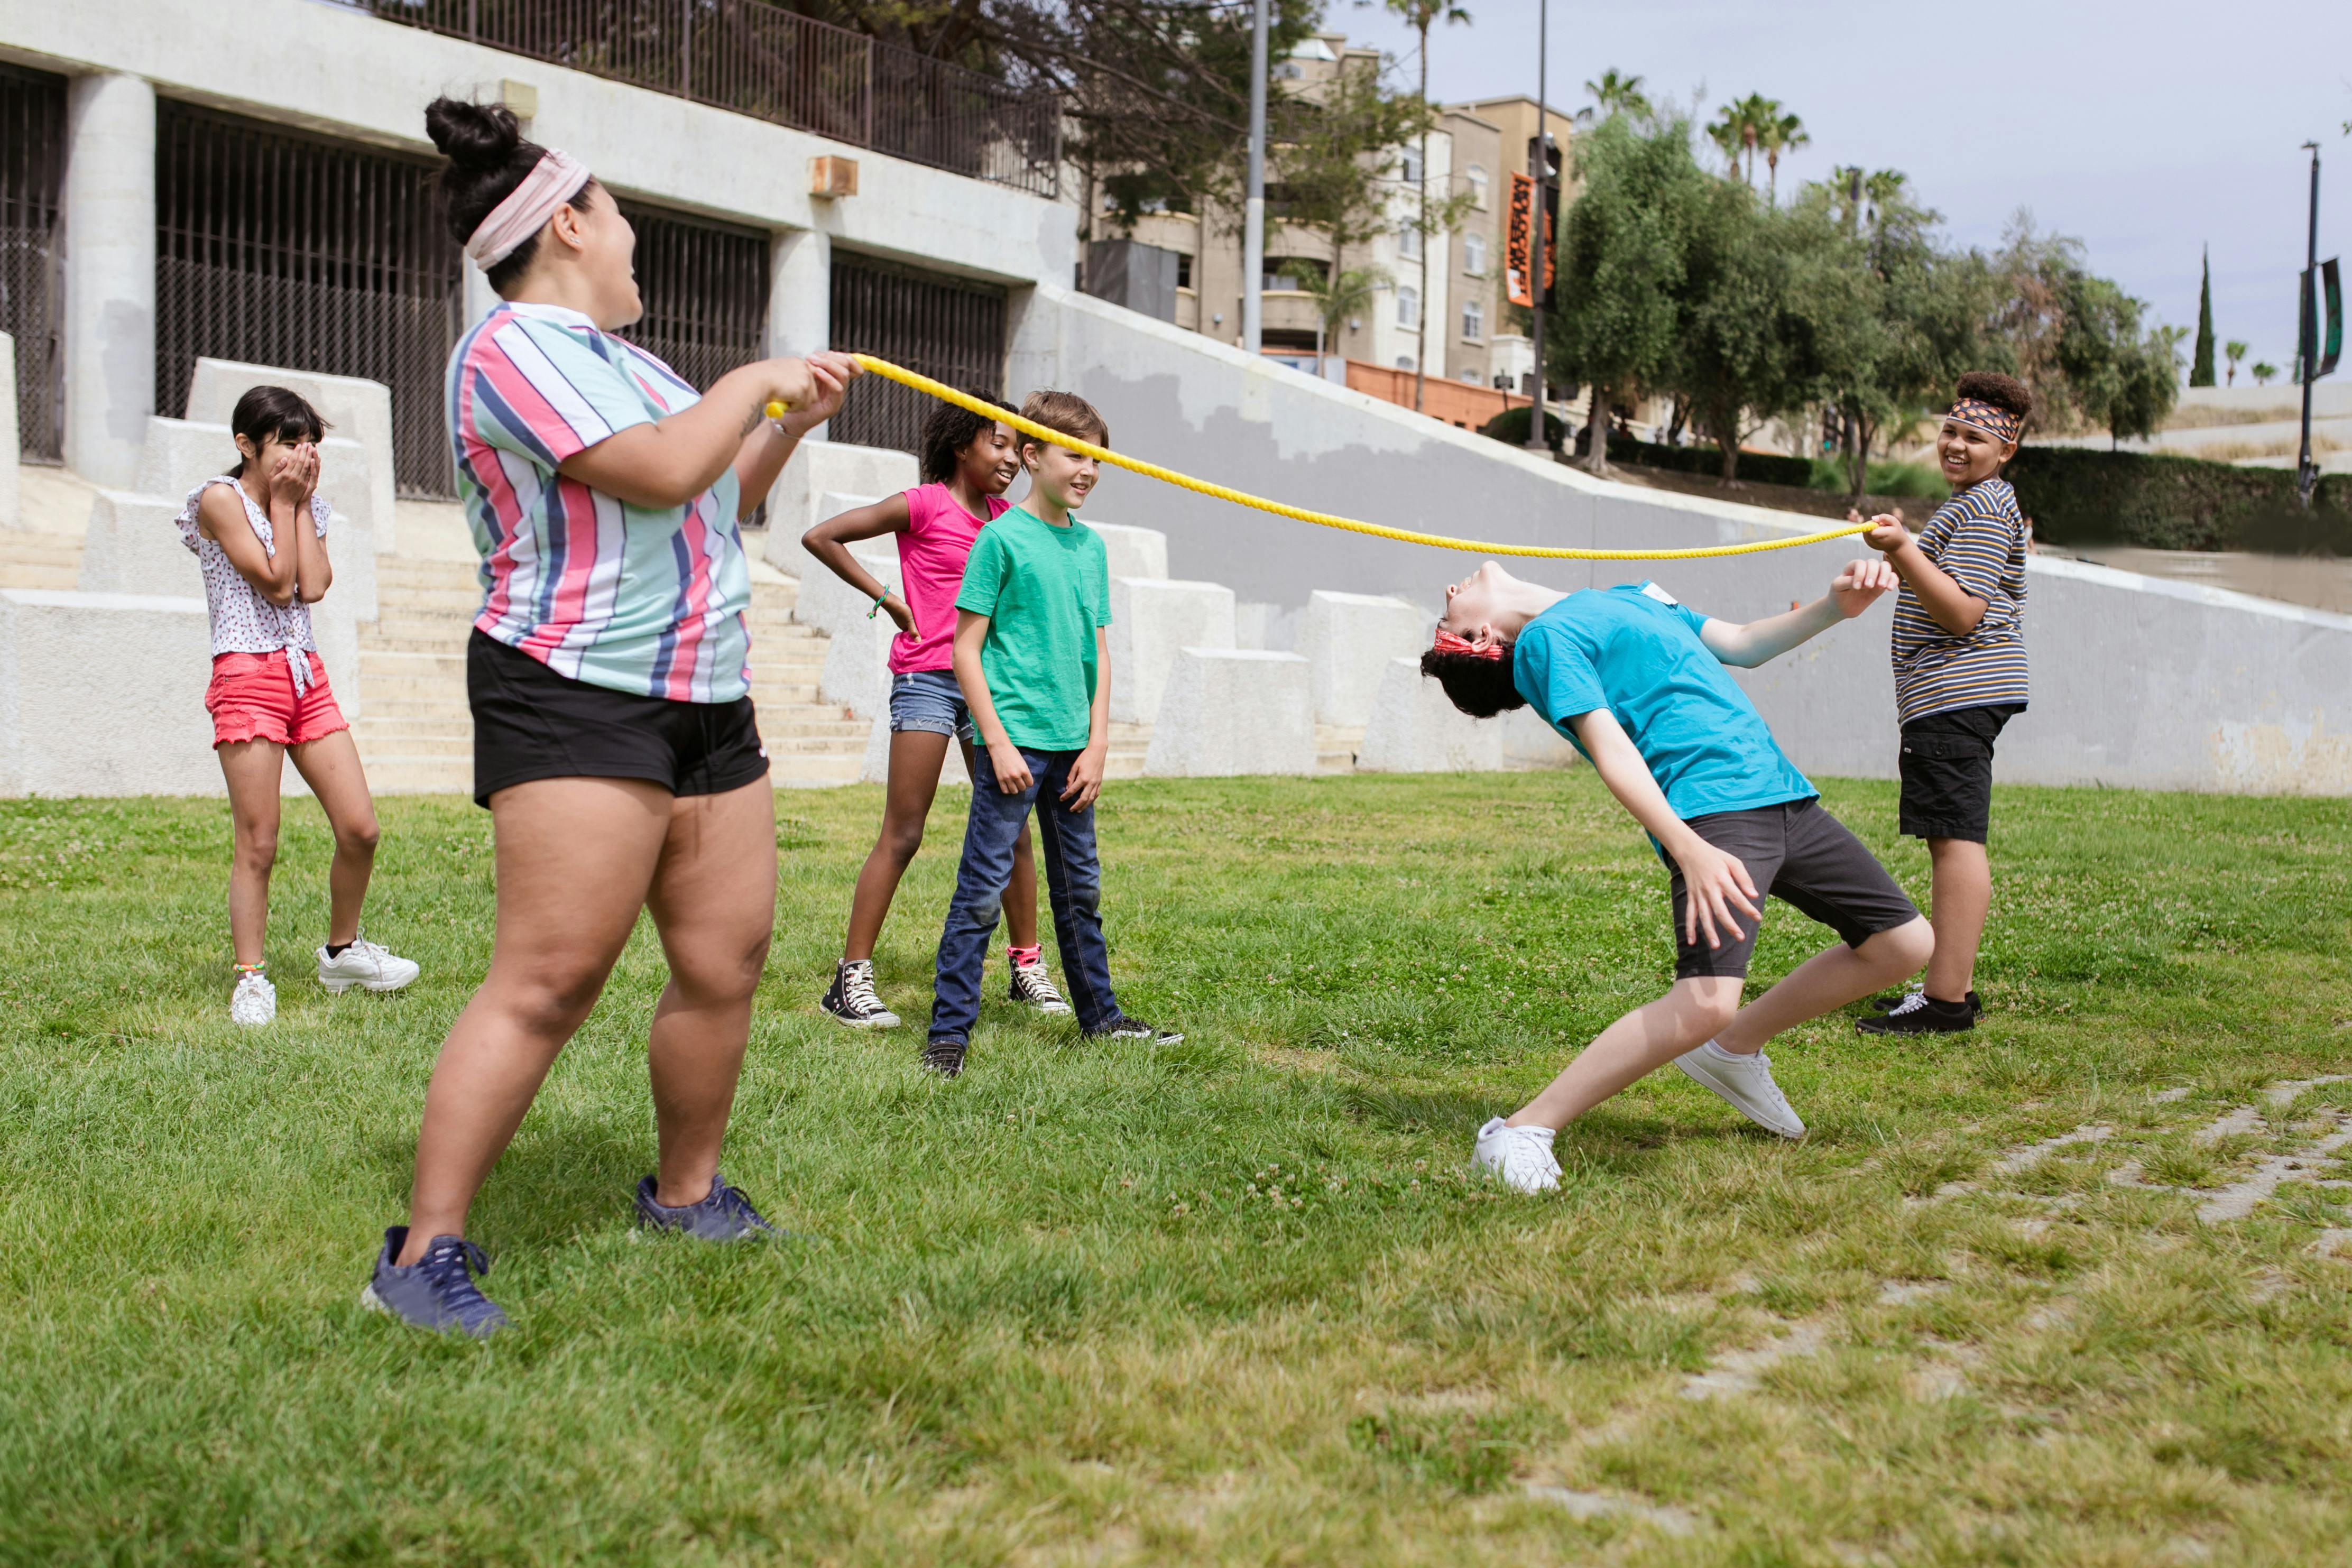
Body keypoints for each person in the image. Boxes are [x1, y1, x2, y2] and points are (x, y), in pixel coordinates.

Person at [363, 97, 861, 1337]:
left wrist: (780, 425)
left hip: (701, 690)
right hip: (574, 691)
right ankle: (422, 1252)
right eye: (622, 217)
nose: (635, 239)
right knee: (550, 975)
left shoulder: (630, 366)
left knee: (723, 959)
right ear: (572, 224)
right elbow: (650, 471)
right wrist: (754, 377)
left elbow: (705, 499)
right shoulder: (511, 350)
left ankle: (685, 1192)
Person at [1418, 559, 1935, 1194]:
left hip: (1782, 792)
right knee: (1705, 1001)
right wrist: (1687, 846)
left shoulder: (1630, 596)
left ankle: (1732, 1048)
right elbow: (1613, 750)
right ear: (1479, 642)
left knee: (1903, 944)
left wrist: (1834, 605)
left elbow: (1742, 644)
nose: (1450, 591)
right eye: (1447, 617)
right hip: (1712, 808)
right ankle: (1521, 1131)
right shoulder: (1549, 643)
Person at [923, 390, 1180, 1078]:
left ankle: (1101, 1017)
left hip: (1073, 749)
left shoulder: (1091, 548)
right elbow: (964, 650)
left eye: (1097, 458)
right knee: (981, 890)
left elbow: (1098, 654)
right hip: (1014, 744)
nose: (1089, 470)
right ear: (1032, 456)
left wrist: (1097, 744)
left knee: (1080, 892)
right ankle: (948, 1033)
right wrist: (997, 743)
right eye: (1076, 454)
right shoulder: (1000, 540)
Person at [802, 396, 1066, 1030]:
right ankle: (850, 980)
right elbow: (822, 536)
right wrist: (889, 599)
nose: (1011, 458)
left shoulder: (1009, 520)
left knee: (1012, 830)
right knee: (905, 830)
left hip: (992, 689)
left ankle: (1027, 968)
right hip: (926, 679)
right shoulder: (922, 505)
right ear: (961, 445)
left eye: (1017, 448)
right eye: (998, 444)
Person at [175, 386, 419, 1027]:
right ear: (246, 445)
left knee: (360, 827)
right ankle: (251, 978)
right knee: (259, 841)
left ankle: (341, 952)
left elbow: (312, 585)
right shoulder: (218, 500)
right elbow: (276, 582)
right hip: (246, 672)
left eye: (309, 439)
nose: (302, 452)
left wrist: (300, 501)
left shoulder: (304, 502)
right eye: (288, 440)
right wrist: (286, 503)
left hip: (303, 674)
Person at [1851, 372, 2033, 1036]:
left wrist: (1902, 548)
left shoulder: (1984, 507)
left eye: (1975, 437)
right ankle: (1946, 989)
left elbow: (1961, 611)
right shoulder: (1975, 504)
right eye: (1950, 431)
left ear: (2005, 449)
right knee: (1949, 835)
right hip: (1949, 694)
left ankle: (1946, 999)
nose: (1956, 444)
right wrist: (1899, 549)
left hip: (1959, 691)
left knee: (1956, 839)